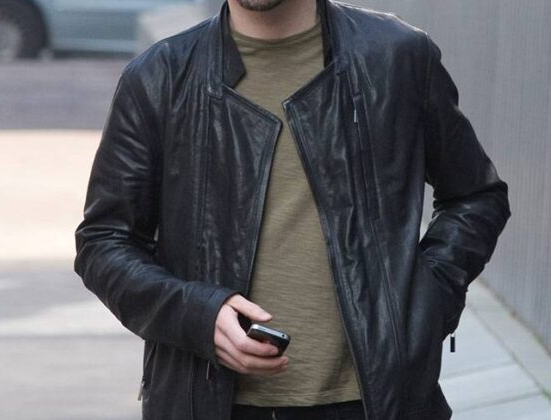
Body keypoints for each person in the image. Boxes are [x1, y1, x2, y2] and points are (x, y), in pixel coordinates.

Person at [73, 0, 511, 419]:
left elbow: (475, 195)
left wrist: (425, 300)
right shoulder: (159, 78)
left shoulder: (397, 57)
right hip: (209, 401)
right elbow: (103, 243)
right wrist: (196, 316)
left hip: (377, 402)